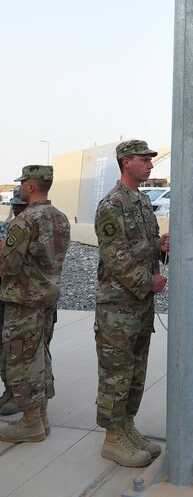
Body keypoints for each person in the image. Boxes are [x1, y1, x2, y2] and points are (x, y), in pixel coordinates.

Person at [94, 140, 169, 467]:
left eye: (151, 160)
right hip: (118, 307)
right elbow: (115, 257)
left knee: (136, 371)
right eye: (144, 160)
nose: (150, 165)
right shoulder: (111, 204)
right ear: (126, 162)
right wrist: (146, 281)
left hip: (139, 306)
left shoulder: (139, 200)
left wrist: (159, 246)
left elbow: (139, 246)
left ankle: (127, 426)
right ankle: (112, 438)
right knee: (116, 372)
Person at [0, 165, 70, 443]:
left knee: (20, 359)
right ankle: (40, 417)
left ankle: (30, 422)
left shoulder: (25, 220)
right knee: (40, 356)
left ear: (30, 186)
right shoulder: (60, 217)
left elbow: (8, 265)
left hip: (23, 299)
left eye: (23, 183)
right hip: (46, 298)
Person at [0, 187, 29, 416]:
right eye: (16, 205)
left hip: (28, 298)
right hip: (5, 296)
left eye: (22, 205)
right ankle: (10, 390)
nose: (18, 209)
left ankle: (28, 398)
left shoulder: (40, 226)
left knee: (28, 349)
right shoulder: (5, 228)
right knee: (6, 348)